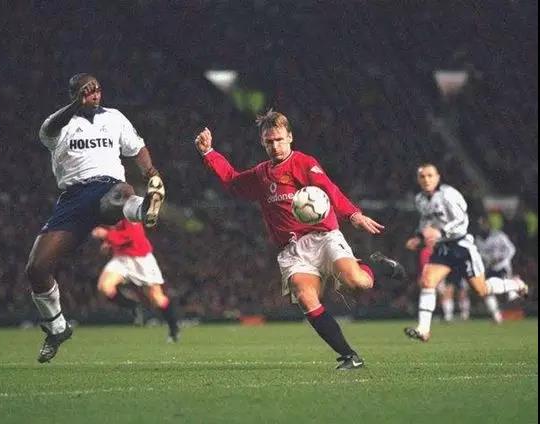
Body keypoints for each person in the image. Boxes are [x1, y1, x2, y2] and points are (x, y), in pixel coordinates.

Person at [194, 110, 406, 370]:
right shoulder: (261, 174)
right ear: (262, 142)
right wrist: (209, 153)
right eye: (269, 141)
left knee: (357, 283)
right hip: (292, 250)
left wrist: (353, 214)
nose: (275, 146)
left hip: (323, 237)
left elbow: (329, 189)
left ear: (290, 137)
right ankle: (349, 356)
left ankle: (377, 265)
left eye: (279, 139)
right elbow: (233, 181)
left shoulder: (304, 163)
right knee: (306, 297)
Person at [26, 73, 166, 363]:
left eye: (97, 90)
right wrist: (75, 106)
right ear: (74, 95)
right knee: (36, 268)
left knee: (121, 191)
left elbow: (137, 147)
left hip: (107, 186)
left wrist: (151, 173)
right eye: (86, 92)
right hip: (73, 199)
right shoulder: (58, 124)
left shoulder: (114, 118)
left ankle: (144, 209)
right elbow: (48, 130)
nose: (94, 95)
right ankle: (57, 327)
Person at [403, 164, 528, 342]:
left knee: (481, 289)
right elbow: (426, 221)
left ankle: (515, 284)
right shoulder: (420, 200)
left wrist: (440, 232)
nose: (426, 180)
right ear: (418, 179)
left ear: (438, 177)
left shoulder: (448, 194)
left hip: (461, 246)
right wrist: (419, 237)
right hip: (443, 248)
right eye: (422, 176)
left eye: (430, 175)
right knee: (427, 281)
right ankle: (423, 329)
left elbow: (461, 219)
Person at [92, 219, 179, 342]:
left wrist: (106, 235)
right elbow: (116, 228)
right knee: (104, 287)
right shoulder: (112, 212)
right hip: (121, 259)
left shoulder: (131, 212)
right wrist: (109, 242)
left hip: (141, 259)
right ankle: (133, 306)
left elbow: (131, 235)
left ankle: (173, 328)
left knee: (157, 299)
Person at [475, 216, 522, 303]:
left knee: (509, 289)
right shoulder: (478, 240)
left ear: (488, 224)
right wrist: (490, 260)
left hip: (503, 266)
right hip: (490, 267)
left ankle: (516, 303)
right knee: (486, 289)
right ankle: (495, 311)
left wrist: (502, 259)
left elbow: (511, 249)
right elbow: (480, 254)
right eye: (479, 225)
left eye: (483, 224)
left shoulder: (499, 235)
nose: (482, 226)